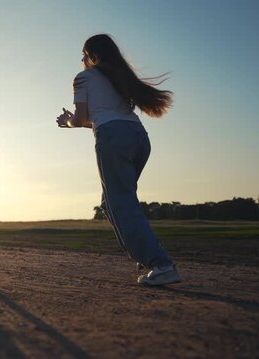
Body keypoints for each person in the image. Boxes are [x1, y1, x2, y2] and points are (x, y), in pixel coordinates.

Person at [56, 34, 181, 286]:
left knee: (121, 204)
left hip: (113, 139)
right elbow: (102, 117)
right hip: (138, 138)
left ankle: (161, 265)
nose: (82, 59)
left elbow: (81, 119)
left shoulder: (83, 78)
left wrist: (68, 122)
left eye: (83, 54)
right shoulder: (119, 78)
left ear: (91, 55)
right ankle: (144, 255)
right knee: (113, 202)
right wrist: (79, 123)